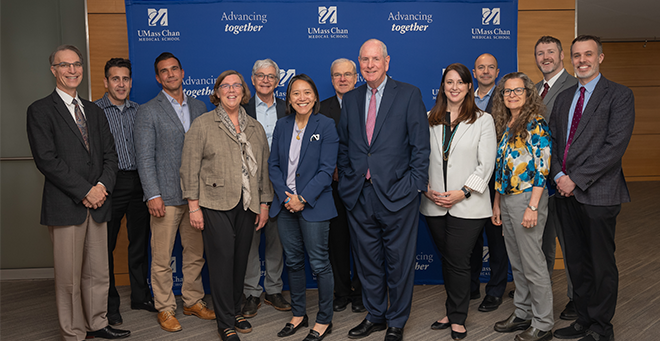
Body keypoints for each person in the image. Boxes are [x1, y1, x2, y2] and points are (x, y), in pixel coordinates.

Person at [26, 44, 129, 340]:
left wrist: (101, 187)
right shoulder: (40, 110)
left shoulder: (95, 111)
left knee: (98, 273)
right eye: (65, 65)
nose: (72, 70)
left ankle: (97, 323)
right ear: (53, 70)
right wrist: (85, 190)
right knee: (69, 279)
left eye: (77, 64)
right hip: (66, 204)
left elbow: (111, 156)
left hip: (98, 204)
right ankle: (73, 332)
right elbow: (47, 160)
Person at [338, 38, 430, 341]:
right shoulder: (350, 99)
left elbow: (420, 146)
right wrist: (351, 180)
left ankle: (396, 321)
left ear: (387, 62)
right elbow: (345, 146)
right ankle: (375, 315)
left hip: (398, 195)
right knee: (367, 262)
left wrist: (414, 185)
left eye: (375, 59)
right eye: (364, 60)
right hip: (359, 194)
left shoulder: (408, 94)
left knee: (399, 263)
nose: (369, 65)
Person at [551, 35, 634, 341]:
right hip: (564, 191)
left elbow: (614, 148)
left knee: (600, 265)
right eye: (576, 55)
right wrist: (559, 174)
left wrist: (576, 179)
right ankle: (583, 319)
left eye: (588, 54)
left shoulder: (619, 95)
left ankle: (601, 328)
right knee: (576, 261)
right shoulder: (563, 98)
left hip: (598, 194)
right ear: (570, 59)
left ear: (600, 57)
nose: (581, 60)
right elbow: (556, 143)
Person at [180, 70, 273, 341]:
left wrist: (265, 203)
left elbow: (264, 170)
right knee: (222, 262)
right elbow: (189, 167)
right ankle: (225, 322)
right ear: (217, 92)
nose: (231, 90)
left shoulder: (254, 127)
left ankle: (235, 310)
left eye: (236, 86)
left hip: (248, 204)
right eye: (225, 86)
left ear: (244, 92)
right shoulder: (203, 124)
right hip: (213, 203)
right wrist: (194, 206)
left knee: (240, 260)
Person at [134, 52, 215, 332]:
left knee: (195, 254)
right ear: (158, 78)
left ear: (183, 72)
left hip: (196, 197)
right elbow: (144, 157)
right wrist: (152, 194)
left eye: (174, 69)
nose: (170, 74)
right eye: (164, 71)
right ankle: (166, 308)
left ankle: (193, 301)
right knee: (161, 258)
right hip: (165, 197)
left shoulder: (200, 106)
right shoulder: (148, 110)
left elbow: (207, 154)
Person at [421, 63, 497, 340]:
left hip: (468, 203)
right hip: (433, 202)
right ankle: (452, 309)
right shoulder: (429, 117)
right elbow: (419, 158)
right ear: (443, 86)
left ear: (468, 87)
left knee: (458, 259)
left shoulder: (483, 120)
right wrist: (426, 189)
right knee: (449, 259)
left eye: (460, 82)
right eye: (449, 82)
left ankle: (457, 316)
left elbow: (486, 165)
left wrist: (462, 192)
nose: (454, 87)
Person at [269, 74, 338, 341]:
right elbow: (273, 164)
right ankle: (299, 314)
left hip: (314, 205)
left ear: (315, 96)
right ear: (289, 98)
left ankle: (324, 319)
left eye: (307, 92)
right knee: (294, 262)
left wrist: (302, 198)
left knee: (320, 264)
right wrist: (287, 196)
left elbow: (325, 170)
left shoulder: (327, 125)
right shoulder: (283, 124)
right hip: (285, 205)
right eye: (295, 93)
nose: (302, 98)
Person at [491, 72, 553, 341]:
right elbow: (501, 171)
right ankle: (522, 312)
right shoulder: (506, 124)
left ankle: (543, 322)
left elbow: (543, 168)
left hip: (529, 199)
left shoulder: (535, 124)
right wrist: (497, 204)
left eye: (518, 90)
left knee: (533, 264)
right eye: (507, 91)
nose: (512, 95)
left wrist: (532, 206)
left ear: (528, 94)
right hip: (507, 200)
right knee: (517, 262)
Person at [94, 58, 156, 327]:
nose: (121, 84)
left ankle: (140, 296)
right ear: (105, 82)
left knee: (139, 242)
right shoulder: (93, 111)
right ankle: (109, 305)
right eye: (115, 79)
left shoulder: (139, 111)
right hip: (109, 185)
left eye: (126, 79)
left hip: (139, 182)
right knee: (104, 247)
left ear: (131, 82)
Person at [533, 35, 579, 321]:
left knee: (570, 244)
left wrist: (567, 175)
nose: (545, 57)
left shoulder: (575, 86)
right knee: (543, 243)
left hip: (564, 181)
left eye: (551, 52)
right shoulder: (535, 89)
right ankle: (542, 292)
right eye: (540, 53)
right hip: (540, 183)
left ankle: (576, 298)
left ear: (562, 55)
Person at [241, 59, 291, 317]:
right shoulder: (241, 108)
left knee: (277, 239)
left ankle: (273, 289)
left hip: (281, 183)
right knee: (250, 239)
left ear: (278, 81)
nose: (265, 80)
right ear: (252, 79)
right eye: (260, 75)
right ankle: (251, 292)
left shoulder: (288, 108)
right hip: (249, 185)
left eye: (271, 76)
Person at [319, 58, 365, 314]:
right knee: (336, 241)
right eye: (338, 75)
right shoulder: (321, 108)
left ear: (356, 77)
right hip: (331, 188)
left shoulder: (367, 104)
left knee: (362, 240)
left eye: (348, 74)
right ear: (332, 78)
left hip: (361, 185)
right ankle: (342, 291)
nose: (343, 79)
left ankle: (361, 291)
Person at [470, 53, 510, 313]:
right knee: (471, 239)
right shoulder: (463, 98)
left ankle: (495, 290)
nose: (485, 72)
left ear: (497, 72)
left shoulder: (506, 99)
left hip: (497, 181)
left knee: (496, 240)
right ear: (474, 72)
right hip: (470, 180)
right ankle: (471, 286)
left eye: (490, 68)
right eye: (480, 68)